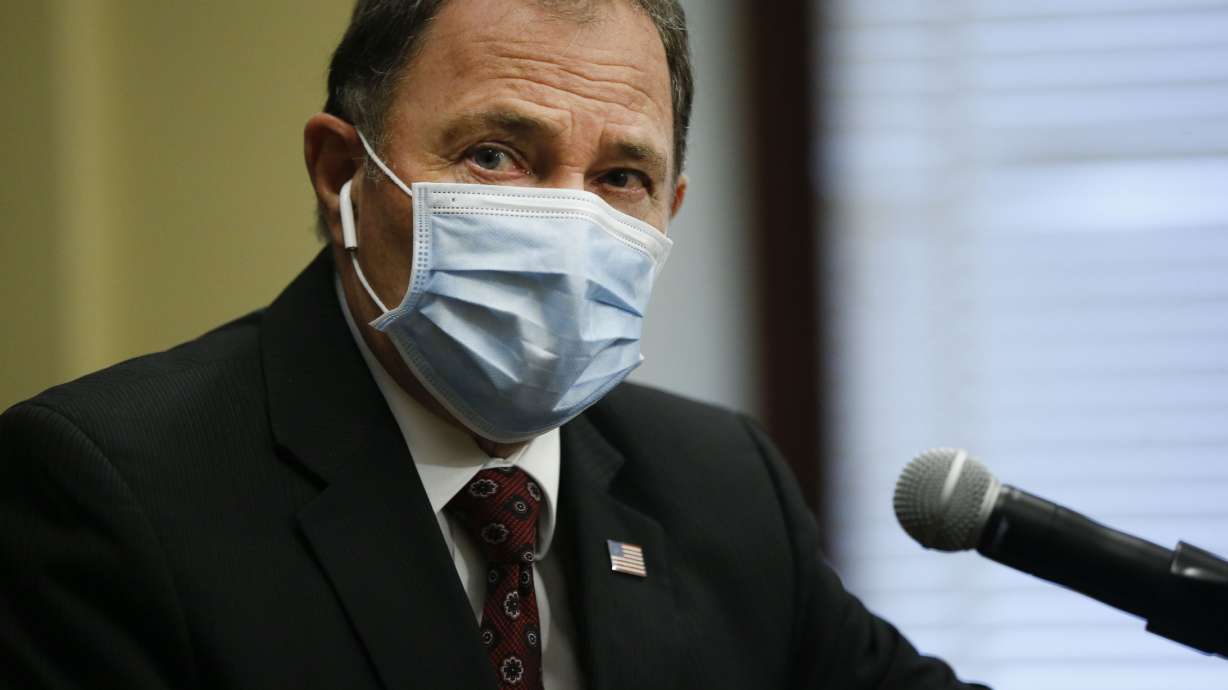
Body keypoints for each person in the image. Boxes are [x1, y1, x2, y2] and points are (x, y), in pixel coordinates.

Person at [0, 1, 989, 688]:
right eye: (496, 155)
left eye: (620, 178)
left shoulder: (717, 483)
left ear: (668, 212)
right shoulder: (108, 492)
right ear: (343, 170)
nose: (566, 222)